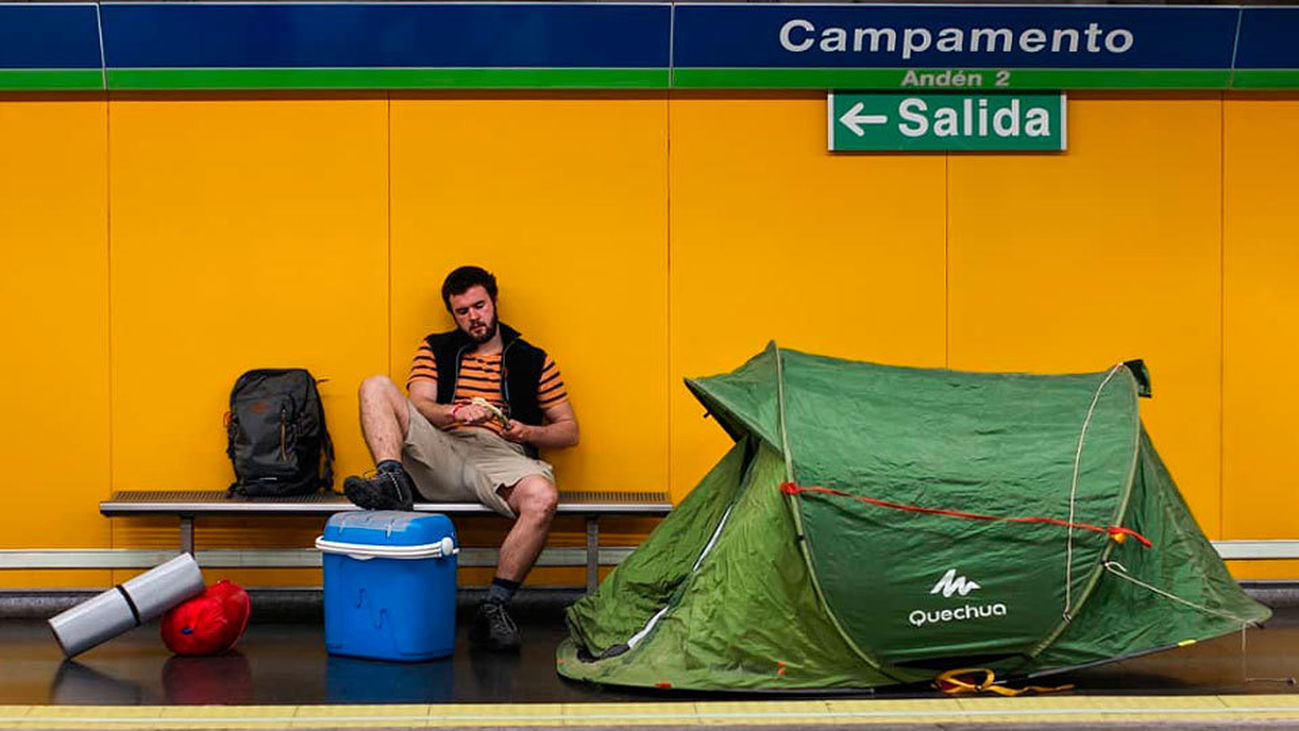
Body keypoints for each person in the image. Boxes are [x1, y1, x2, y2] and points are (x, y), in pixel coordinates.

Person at [342, 265, 579, 651]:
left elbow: (569, 431)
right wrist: (454, 412)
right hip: (441, 447)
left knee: (543, 498)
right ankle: (392, 481)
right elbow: (419, 403)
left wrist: (526, 431)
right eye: (463, 311)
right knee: (375, 386)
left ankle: (493, 608)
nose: (474, 317)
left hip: (502, 453)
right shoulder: (436, 347)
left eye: (479, 306)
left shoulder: (534, 360)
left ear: (494, 302)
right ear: (453, 314)